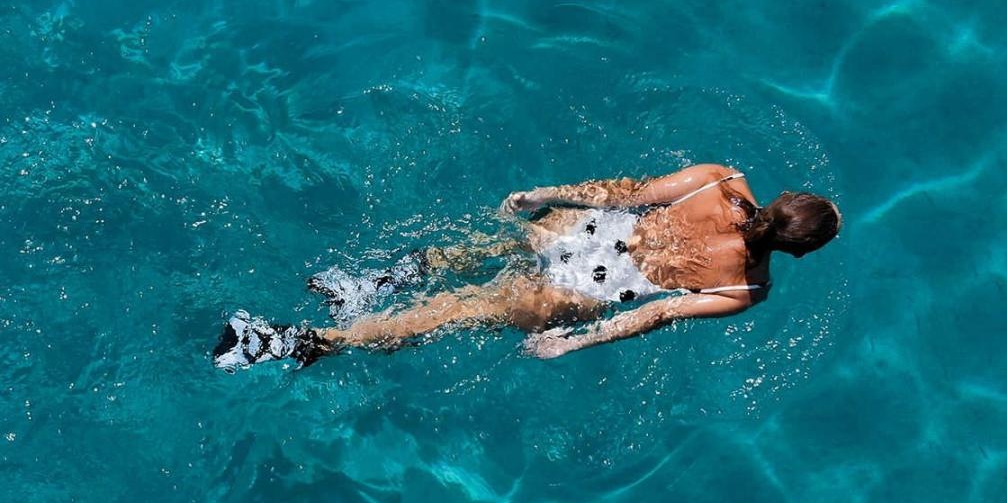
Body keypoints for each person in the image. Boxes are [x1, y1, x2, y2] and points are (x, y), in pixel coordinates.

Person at [211, 164, 841, 369]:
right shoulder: (744, 288)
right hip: (590, 290)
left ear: (785, 199)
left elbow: (623, 190)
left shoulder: (720, 178)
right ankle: (301, 343)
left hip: (591, 229)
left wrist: (547, 196)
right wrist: (573, 343)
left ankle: (369, 284)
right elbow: (654, 314)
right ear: (798, 252)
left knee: (480, 248)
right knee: (455, 311)